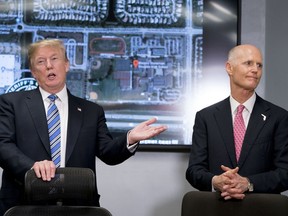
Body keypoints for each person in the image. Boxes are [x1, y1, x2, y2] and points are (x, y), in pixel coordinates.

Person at [0, 39, 167, 215]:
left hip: (78, 206)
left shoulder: (91, 111)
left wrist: (130, 138)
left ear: (66, 65)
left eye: (54, 58)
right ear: (34, 72)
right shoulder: (11, 103)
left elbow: (108, 153)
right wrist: (33, 167)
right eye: (41, 61)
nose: (49, 66)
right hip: (23, 205)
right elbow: (3, 145)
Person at [186, 44, 288, 200]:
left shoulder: (279, 117)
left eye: (259, 65)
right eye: (248, 63)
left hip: (261, 210)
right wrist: (216, 181)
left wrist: (248, 183)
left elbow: (285, 172)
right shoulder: (205, 117)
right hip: (217, 208)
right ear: (229, 68)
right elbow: (194, 171)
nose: (255, 69)